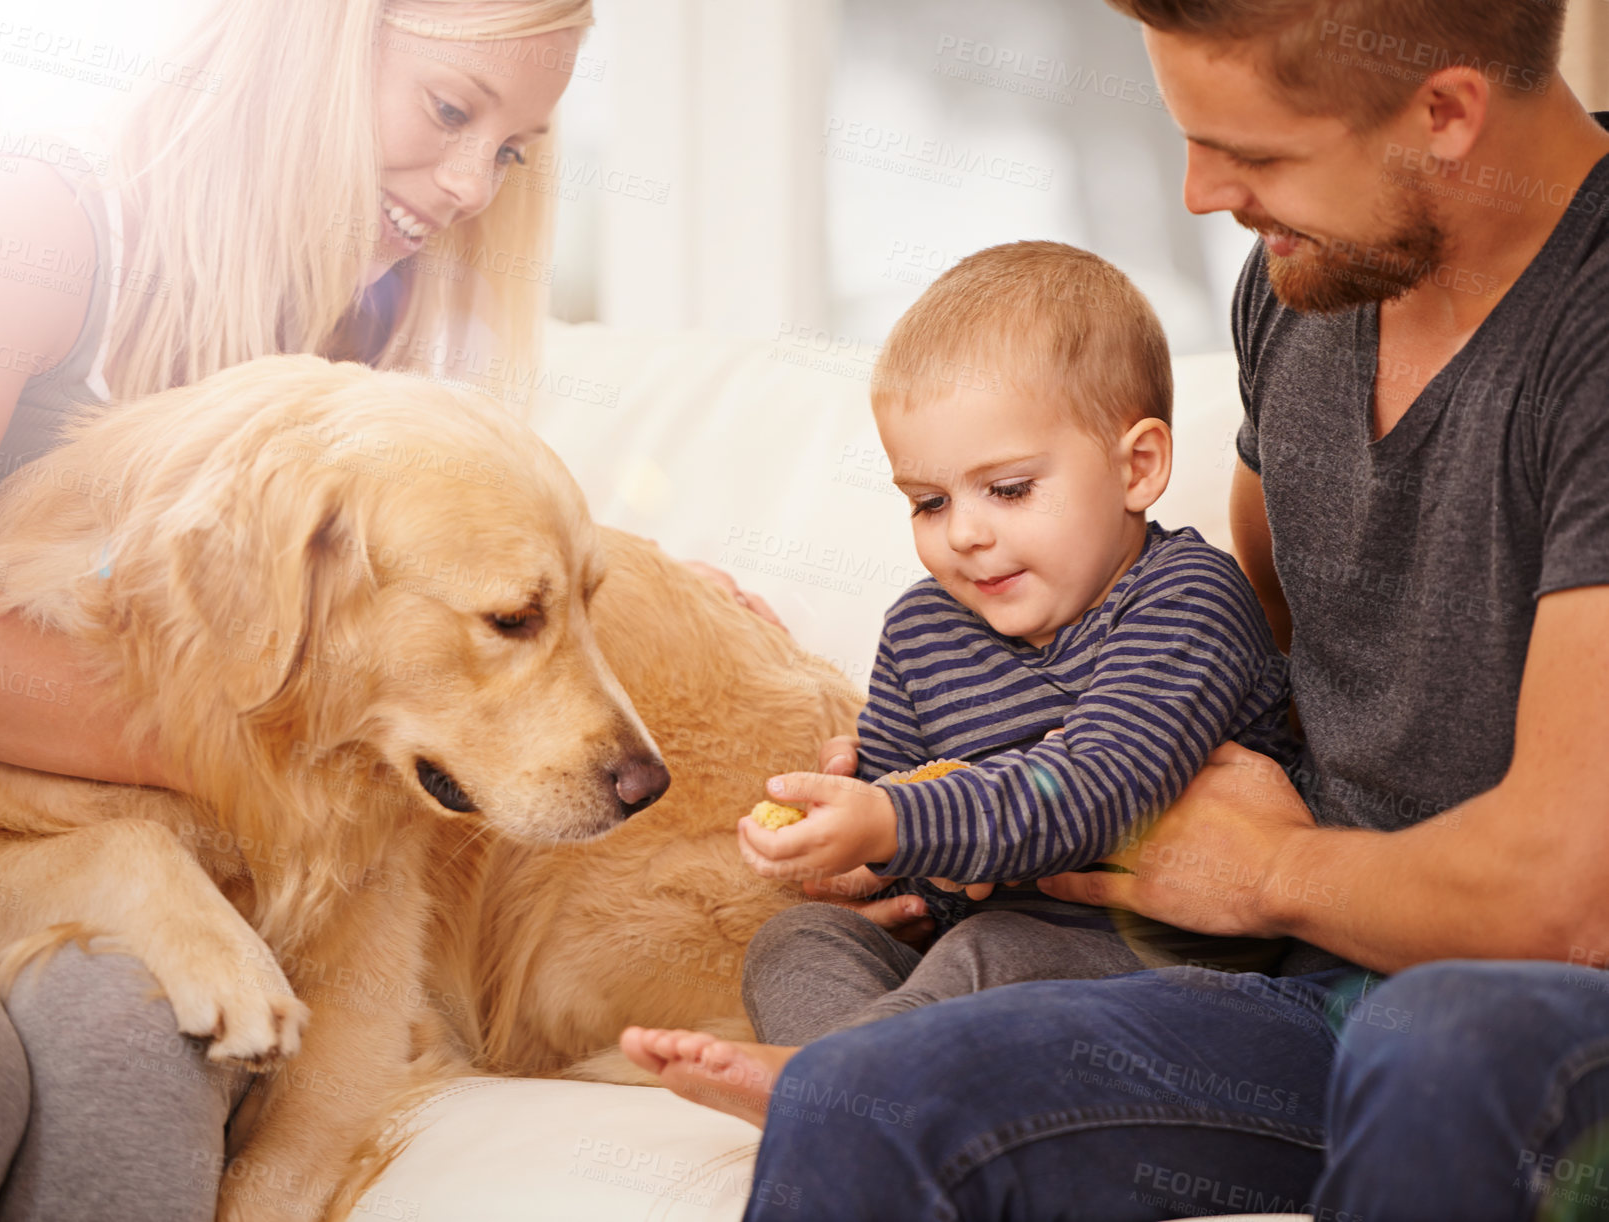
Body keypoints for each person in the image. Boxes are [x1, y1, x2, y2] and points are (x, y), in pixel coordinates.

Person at [619, 1, 1609, 1218]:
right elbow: (1264, 637)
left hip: (1512, 1000)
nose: (1200, 194)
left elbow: (1569, 906)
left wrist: (1272, 873)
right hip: (1284, 983)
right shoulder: (1310, 276)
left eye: (1257, 154)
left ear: (1444, 115)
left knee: (1442, 1039)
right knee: (858, 1091)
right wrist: (937, 802)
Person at [0, 4, 603, 1219]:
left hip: (136, 863)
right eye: (450, 108)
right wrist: (254, 763)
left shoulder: (374, 328)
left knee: (136, 1034)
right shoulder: (38, 232)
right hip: (31, 831)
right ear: (306, 51)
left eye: (514, 146)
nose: (476, 183)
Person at [627, 240, 1297, 1080]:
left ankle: (836, 1083)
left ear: (1137, 467)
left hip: (1165, 961)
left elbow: (1097, 786)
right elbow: (903, 811)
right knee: (800, 937)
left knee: (996, 947)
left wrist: (896, 825)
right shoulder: (921, 629)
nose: (964, 534)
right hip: (973, 957)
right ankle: (851, 1084)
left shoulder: (1186, 598)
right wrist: (877, 870)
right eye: (929, 502)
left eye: (1008, 489)